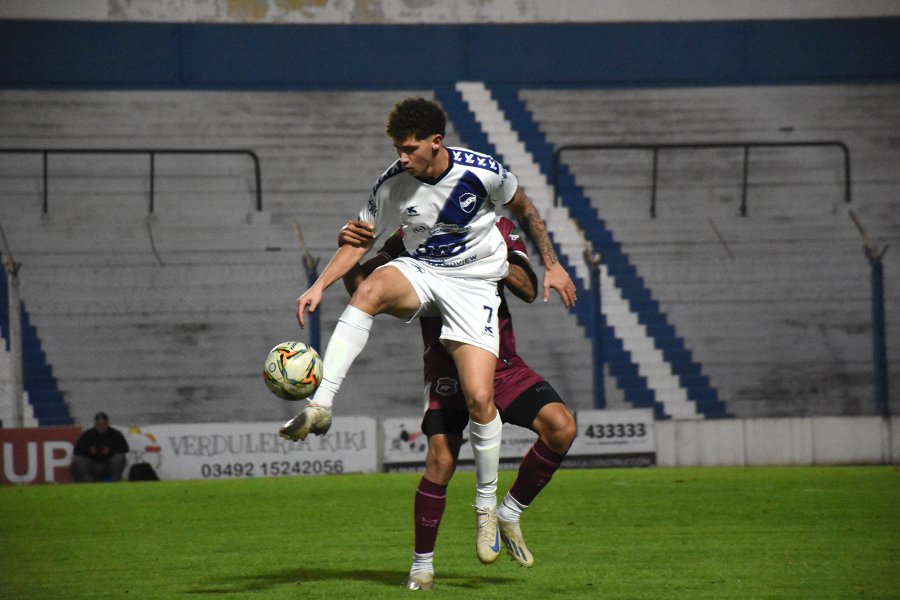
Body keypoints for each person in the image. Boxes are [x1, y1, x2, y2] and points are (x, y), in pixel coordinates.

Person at [279, 97, 577, 565]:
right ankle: (321, 405)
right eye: (398, 148)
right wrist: (319, 284)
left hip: (474, 284)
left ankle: (488, 509)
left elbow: (525, 209)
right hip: (424, 274)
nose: (402, 156)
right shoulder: (393, 185)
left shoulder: (483, 176)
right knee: (372, 290)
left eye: (410, 148)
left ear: (436, 143)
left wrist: (553, 266)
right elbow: (360, 248)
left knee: (482, 402)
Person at [341, 218, 576, 591]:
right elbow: (361, 287)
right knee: (442, 460)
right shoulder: (410, 234)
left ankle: (509, 513)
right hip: (445, 364)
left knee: (561, 427)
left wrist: (482, 253)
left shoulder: (499, 227)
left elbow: (528, 288)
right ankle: (422, 567)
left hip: (500, 362)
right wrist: (353, 251)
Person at [71, 412, 130, 482]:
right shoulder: (87, 434)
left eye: (103, 423)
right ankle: (88, 482)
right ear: (95, 424)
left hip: (109, 464)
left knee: (119, 457)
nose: (101, 426)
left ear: (107, 423)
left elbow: (125, 448)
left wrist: (110, 451)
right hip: (92, 464)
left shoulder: (116, 434)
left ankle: (115, 481)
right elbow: (77, 450)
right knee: (79, 459)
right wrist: (89, 451)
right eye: (98, 424)